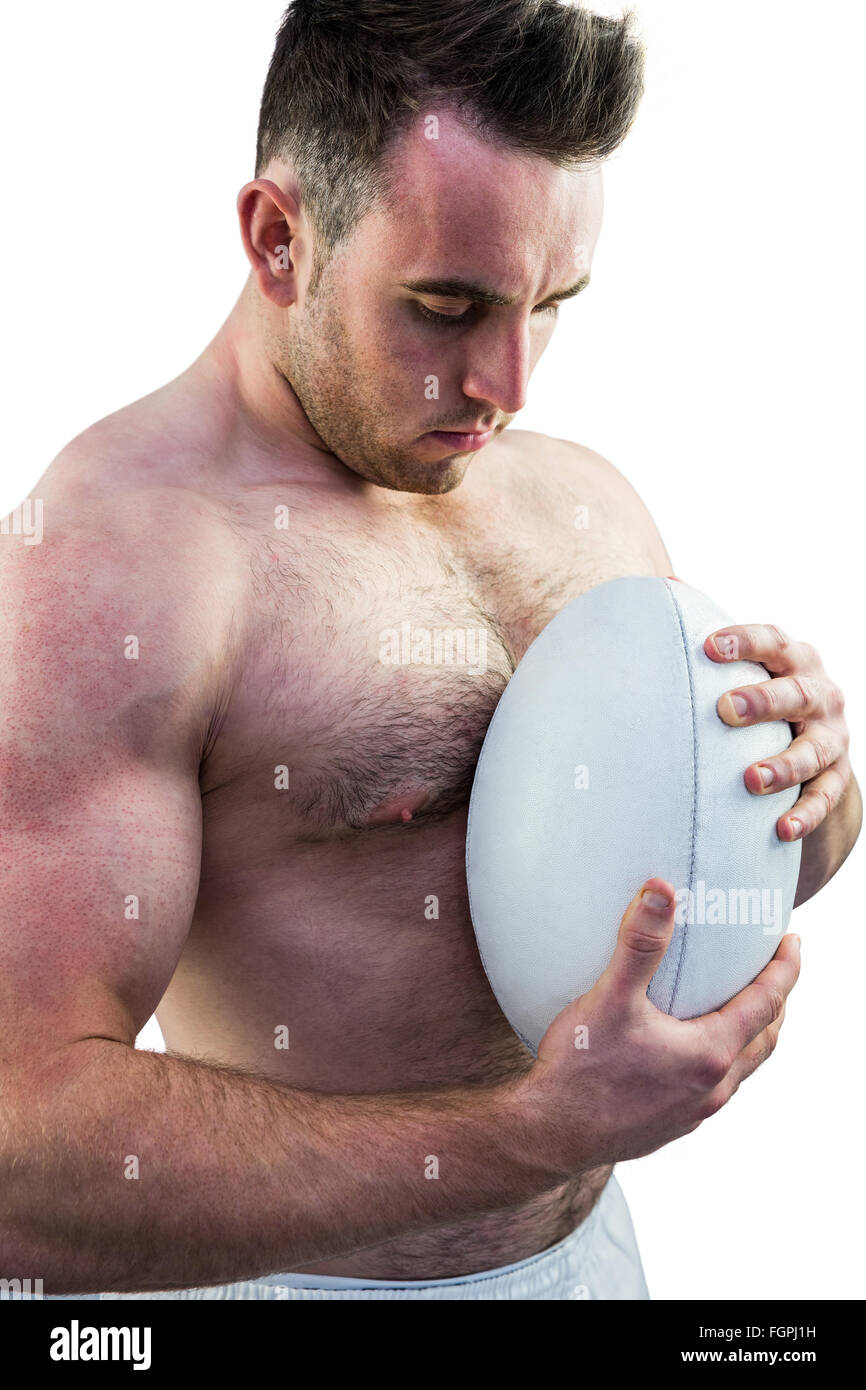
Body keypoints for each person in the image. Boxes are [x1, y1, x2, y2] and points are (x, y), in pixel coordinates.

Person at [0, 0, 858, 1301]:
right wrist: (530, 1133)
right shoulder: (114, 564)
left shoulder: (581, 500)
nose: (508, 383)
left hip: (591, 1259)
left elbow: (643, 885)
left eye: (550, 304)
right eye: (446, 307)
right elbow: (23, 1153)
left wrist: (805, 806)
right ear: (279, 238)